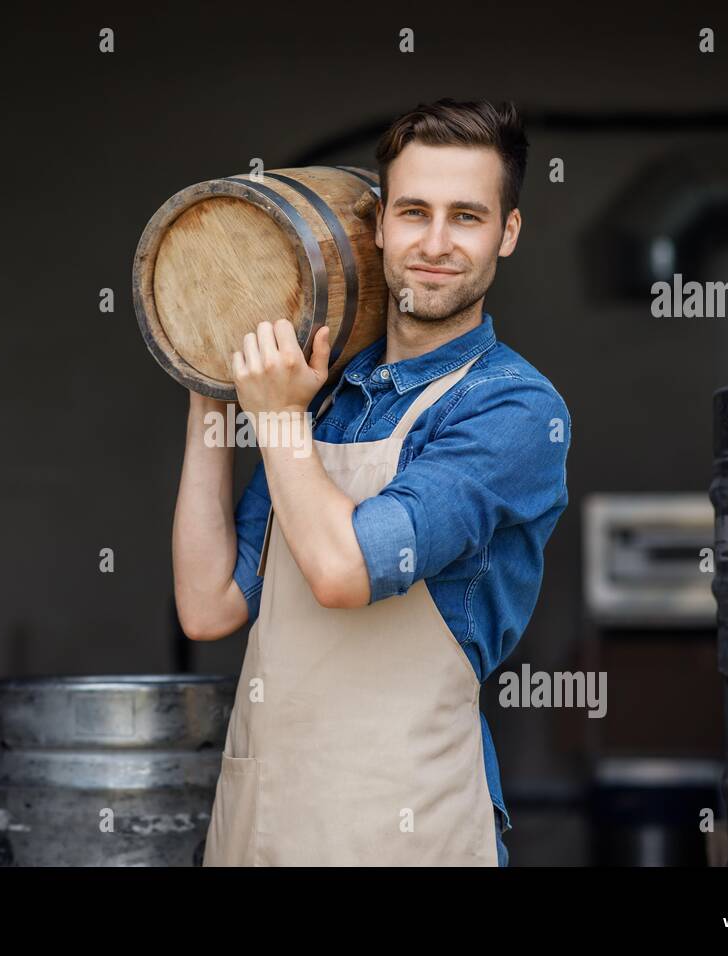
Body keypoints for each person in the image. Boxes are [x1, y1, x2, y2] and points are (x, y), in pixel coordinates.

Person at [172, 98, 570, 866]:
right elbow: (207, 604)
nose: (435, 243)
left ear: (508, 234)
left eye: (467, 217)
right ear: (380, 224)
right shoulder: (326, 397)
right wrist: (209, 386)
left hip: (407, 824)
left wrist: (280, 421)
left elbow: (343, 572)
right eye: (415, 212)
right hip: (266, 822)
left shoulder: (513, 409)